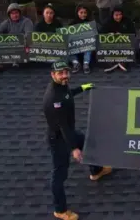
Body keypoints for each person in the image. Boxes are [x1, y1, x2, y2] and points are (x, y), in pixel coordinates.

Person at [43, 61, 111, 220]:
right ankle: (60, 210)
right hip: (59, 139)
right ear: (53, 75)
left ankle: (97, 171)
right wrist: (74, 148)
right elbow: (63, 127)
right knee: (59, 175)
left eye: (66, 72)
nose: (64, 75)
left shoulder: (61, 87)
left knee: (89, 144)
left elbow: (68, 95)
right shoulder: (54, 98)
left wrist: (82, 88)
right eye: (60, 73)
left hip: (68, 132)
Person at [99, 6, 135, 73]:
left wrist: (123, 35)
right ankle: (113, 63)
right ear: (112, 14)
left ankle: (121, 62)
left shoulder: (128, 21)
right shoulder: (107, 22)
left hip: (124, 45)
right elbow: (100, 33)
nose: (118, 17)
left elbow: (133, 33)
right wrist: (108, 34)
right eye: (116, 15)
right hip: (111, 45)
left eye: (120, 15)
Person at [67, 5, 94, 74]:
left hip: (85, 47)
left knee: (89, 47)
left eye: (85, 12)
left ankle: (86, 64)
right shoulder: (72, 23)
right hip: (75, 47)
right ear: (77, 13)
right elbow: (66, 35)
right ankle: (76, 63)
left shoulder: (90, 23)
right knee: (66, 48)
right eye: (81, 12)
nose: (83, 14)